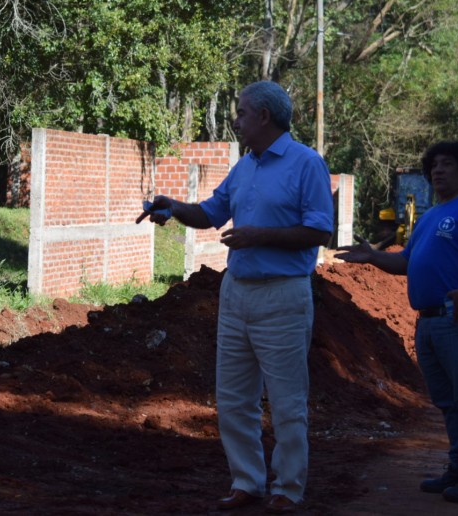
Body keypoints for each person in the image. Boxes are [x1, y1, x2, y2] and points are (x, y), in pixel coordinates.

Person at [136, 81, 334, 513]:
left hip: (283, 295)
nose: (236, 120)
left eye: (241, 113)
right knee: (233, 399)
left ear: (263, 116)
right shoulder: (245, 165)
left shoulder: (306, 164)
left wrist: (260, 236)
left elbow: (321, 230)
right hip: (237, 294)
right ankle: (247, 481)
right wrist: (172, 206)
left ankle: (288, 488)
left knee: (286, 400)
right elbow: (210, 212)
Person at [336, 140, 458, 504]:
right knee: (448, 400)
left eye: (447, 164)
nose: (438, 170)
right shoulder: (430, 215)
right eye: (434, 165)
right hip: (428, 321)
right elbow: (405, 264)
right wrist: (371, 257)